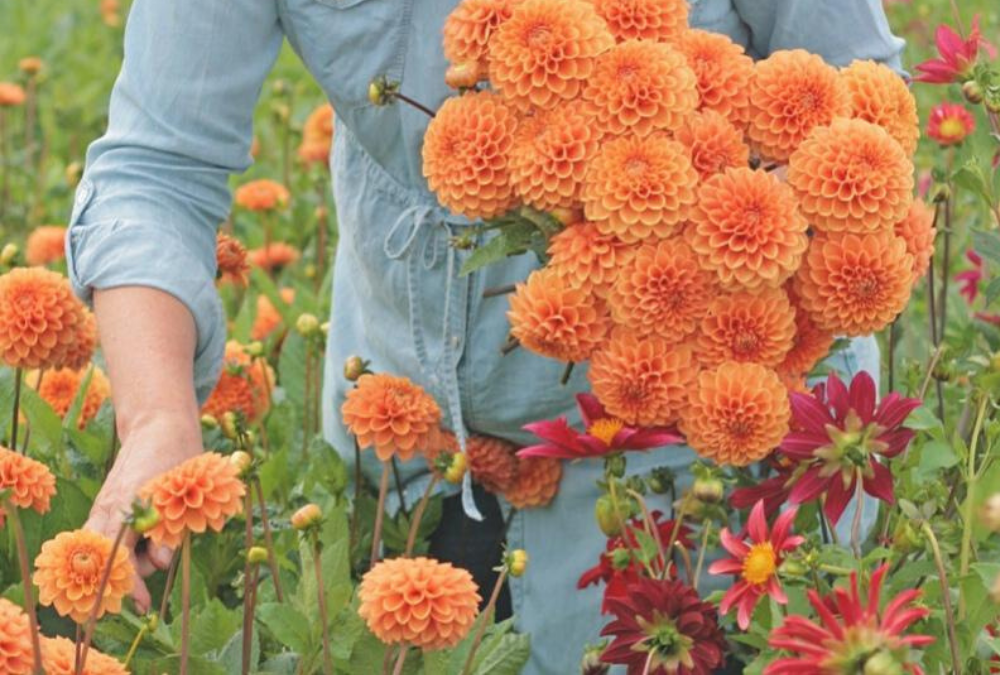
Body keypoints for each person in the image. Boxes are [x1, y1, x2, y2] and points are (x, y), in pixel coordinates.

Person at [73, 0, 904, 672]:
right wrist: (157, 420)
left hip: (707, 481)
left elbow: (865, 111)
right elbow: (158, 168)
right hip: (421, 455)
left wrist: (706, 249)